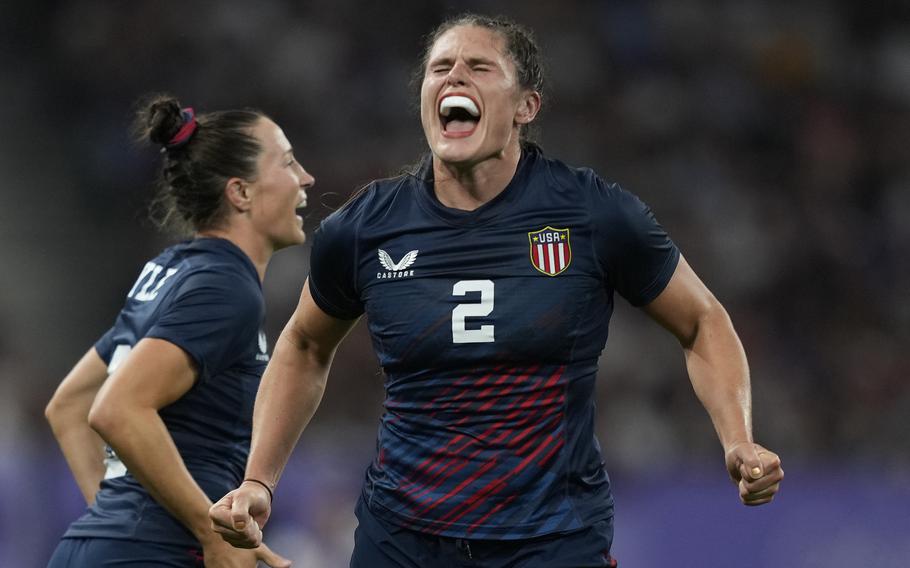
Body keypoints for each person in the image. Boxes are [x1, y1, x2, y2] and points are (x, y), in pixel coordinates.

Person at [210, 13, 784, 568]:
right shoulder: (366, 227)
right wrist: (260, 478)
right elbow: (305, 346)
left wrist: (739, 440)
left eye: (479, 67)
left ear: (525, 107)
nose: (454, 77)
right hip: (404, 539)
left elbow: (701, 322)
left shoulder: (591, 213)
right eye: (440, 68)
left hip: (553, 539)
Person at [45, 94, 313, 567]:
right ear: (241, 192)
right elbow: (117, 408)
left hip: (105, 548)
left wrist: (118, 522)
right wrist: (207, 534)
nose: (305, 178)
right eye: (289, 163)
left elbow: (68, 405)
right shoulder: (226, 287)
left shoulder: (171, 270)